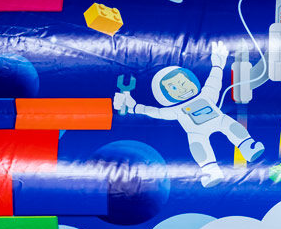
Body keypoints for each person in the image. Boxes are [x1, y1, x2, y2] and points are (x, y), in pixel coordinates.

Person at [113, 41, 265, 187]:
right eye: (174, 88)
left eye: (183, 83)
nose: (182, 88)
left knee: (231, 126)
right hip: (197, 132)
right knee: (199, 147)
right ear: (164, 95)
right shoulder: (176, 109)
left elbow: (214, 81)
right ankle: (211, 171)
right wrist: (134, 107)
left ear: (192, 81)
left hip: (218, 120)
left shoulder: (206, 95)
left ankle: (248, 146)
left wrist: (218, 64)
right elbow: (156, 112)